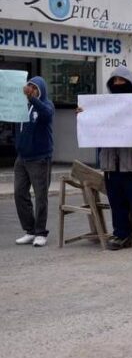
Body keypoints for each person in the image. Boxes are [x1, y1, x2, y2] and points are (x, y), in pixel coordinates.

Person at [78, 66, 132, 253]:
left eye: (121, 81)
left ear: (129, 82)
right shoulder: (105, 103)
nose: (118, 84)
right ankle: (122, 235)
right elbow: (94, 125)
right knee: (116, 203)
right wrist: (84, 116)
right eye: (114, 81)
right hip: (110, 162)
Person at [14, 76, 54, 247]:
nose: (30, 89)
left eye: (34, 87)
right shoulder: (24, 106)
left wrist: (32, 98)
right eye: (28, 86)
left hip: (40, 158)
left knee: (41, 196)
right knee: (19, 193)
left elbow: (46, 115)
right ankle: (30, 230)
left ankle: (40, 232)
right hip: (22, 157)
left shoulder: (46, 105)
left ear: (40, 89)